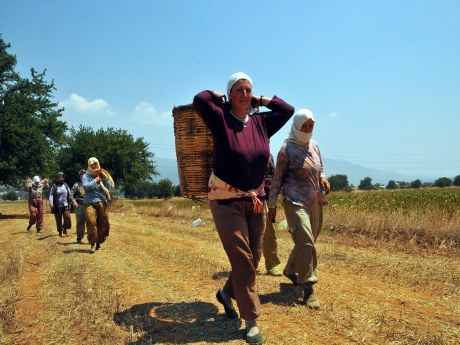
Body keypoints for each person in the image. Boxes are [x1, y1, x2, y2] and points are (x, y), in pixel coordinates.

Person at [193, 72, 294, 344]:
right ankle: (251, 321)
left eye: (249, 90)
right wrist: (218, 97)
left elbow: (288, 110)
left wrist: (260, 99)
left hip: (255, 199)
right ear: (230, 94)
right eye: (239, 89)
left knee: (254, 256)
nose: (245, 94)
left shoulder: (262, 122)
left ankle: (226, 294)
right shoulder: (221, 120)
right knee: (242, 260)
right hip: (226, 201)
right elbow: (199, 100)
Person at [268, 109, 330, 310]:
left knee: (308, 241)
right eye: (304, 126)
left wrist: (323, 179)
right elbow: (277, 179)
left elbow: (320, 168)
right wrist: (272, 206)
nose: (308, 130)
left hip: (314, 201)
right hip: (295, 202)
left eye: (311, 126)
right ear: (296, 126)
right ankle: (308, 289)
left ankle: (290, 269)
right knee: (305, 241)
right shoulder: (287, 149)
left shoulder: (315, 145)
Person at [82, 157, 114, 251]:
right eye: (91, 164)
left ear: (98, 164)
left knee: (103, 223)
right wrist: (96, 180)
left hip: (102, 201)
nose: (93, 166)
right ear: (89, 165)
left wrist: (106, 178)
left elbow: (108, 187)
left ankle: (98, 244)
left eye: (95, 163)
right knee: (91, 222)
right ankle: (92, 243)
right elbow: (86, 187)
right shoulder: (86, 176)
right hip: (89, 202)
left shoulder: (102, 173)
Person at [262, 153, 282, 276]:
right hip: (251, 197)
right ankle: (247, 264)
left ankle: (272, 265)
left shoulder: (269, 156)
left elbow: (273, 178)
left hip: (267, 197)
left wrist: (272, 205)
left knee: (269, 232)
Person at [49, 172, 77, 237]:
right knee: (58, 220)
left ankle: (65, 229)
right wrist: (51, 203)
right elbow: (51, 195)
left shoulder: (66, 185)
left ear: (63, 177)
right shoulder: (54, 186)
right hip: (57, 206)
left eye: (61, 177)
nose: (60, 178)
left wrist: (74, 202)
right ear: (57, 178)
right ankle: (60, 231)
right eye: (59, 177)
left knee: (67, 218)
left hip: (66, 205)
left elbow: (70, 195)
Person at [71, 169, 87, 244]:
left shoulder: (90, 184)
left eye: (84, 174)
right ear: (80, 175)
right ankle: (79, 238)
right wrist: (74, 202)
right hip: (79, 205)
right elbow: (70, 195)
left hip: (88, 205)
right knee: (80, 222)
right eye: (82, 174)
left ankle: (92, 239)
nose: (83, 176)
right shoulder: (76, 185)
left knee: (91, 222)